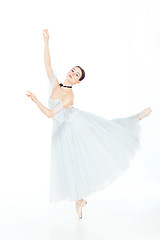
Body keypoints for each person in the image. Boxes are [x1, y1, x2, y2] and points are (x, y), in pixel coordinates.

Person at [26, 29, 152, 219]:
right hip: (61, 131)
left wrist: (36, 101)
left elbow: (51, 113)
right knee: (70, 167)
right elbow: (48, 64)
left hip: (75, 126)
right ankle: (79, 200)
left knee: (106, 133)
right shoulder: (55, 84)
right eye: (73, 70)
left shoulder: (69, 96)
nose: (72, 72)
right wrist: (46, 43)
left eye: (76, 73)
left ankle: (135, 119)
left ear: (78, 81)